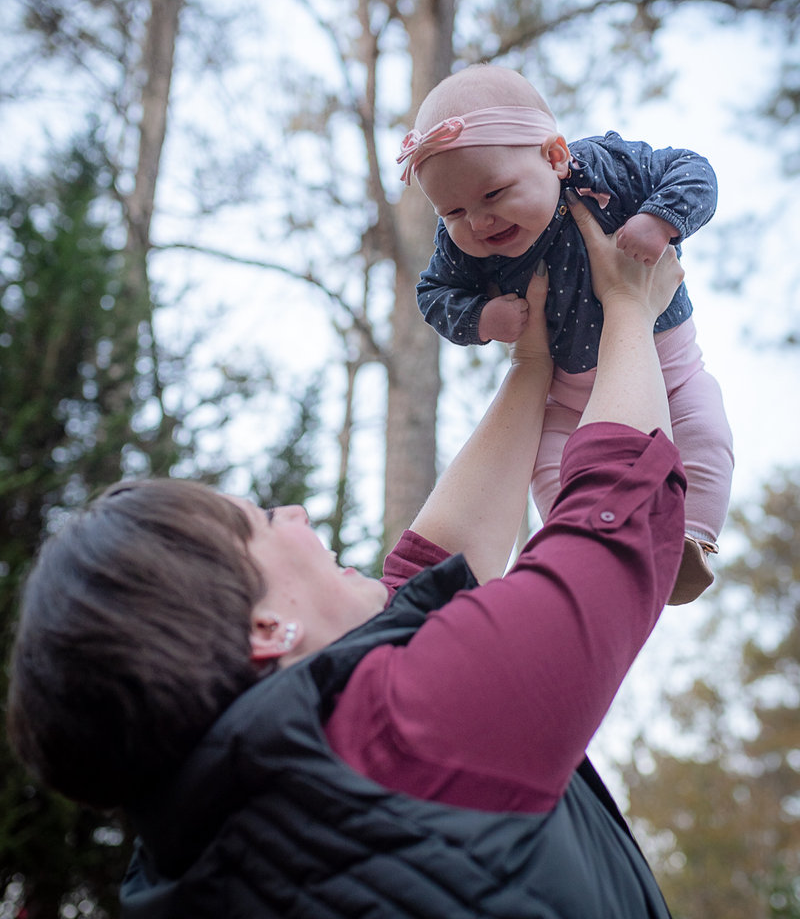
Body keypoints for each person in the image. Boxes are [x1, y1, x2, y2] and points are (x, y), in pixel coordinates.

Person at [9, 200, 686, 918]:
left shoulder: (210, 838)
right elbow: (618, 518)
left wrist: (532, 364)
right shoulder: (395, 737)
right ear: (265, 630)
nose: (294, 514)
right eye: (263, 523)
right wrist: (629, 309)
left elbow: (426, 588)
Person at [398, 63, 734, 605]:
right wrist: (482, 319)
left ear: (554, 157)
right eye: (454, 211)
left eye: (495, 193)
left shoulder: (608, 170)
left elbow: (694, 170)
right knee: (551, 465)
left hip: (670, 368)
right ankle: (579, 550)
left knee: (705, 429)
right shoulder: (457, 247)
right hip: (567, 397)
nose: (479, 222)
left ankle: (689, 539)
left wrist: (660, 218)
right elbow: (433, 296)